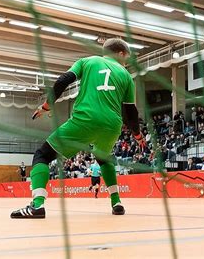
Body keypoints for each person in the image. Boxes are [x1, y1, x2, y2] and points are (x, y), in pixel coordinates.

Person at [11, 39, 145, 219]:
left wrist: (47, 106)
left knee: (42, 155)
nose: (126, 61)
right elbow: (131, 111)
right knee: (103, 158)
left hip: (85, 119)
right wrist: (137, 135)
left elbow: (63, 80)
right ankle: (116, 201)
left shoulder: (87, 61)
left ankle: (37, 205)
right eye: (127, 57)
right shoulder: (127, 76)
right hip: (112, 125)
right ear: (121, 53)